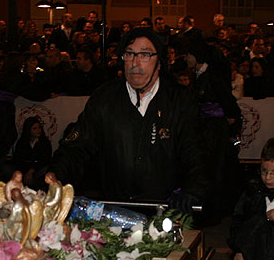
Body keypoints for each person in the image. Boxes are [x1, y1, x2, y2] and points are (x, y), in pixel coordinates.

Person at [49, 27, 209, 215]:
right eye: (129, 54)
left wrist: (193, 190)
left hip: (163, 210)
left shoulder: (179, 101)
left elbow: (195, 152)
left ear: (159, 62)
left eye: (145, 55)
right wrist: (54, 180)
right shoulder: (105, 98)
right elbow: (76, 147)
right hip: (114, 210)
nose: (135, 62)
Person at [13, 117, 52, 189]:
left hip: (38, 169)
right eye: (35, 128)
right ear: (28, 130)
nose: (38, 130)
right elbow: (18, 159)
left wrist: (32, 171)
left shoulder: (45, 142)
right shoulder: (22, 142)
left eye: (39, 128)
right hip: (24, 169)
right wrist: (26, 172)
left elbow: (45, 160)